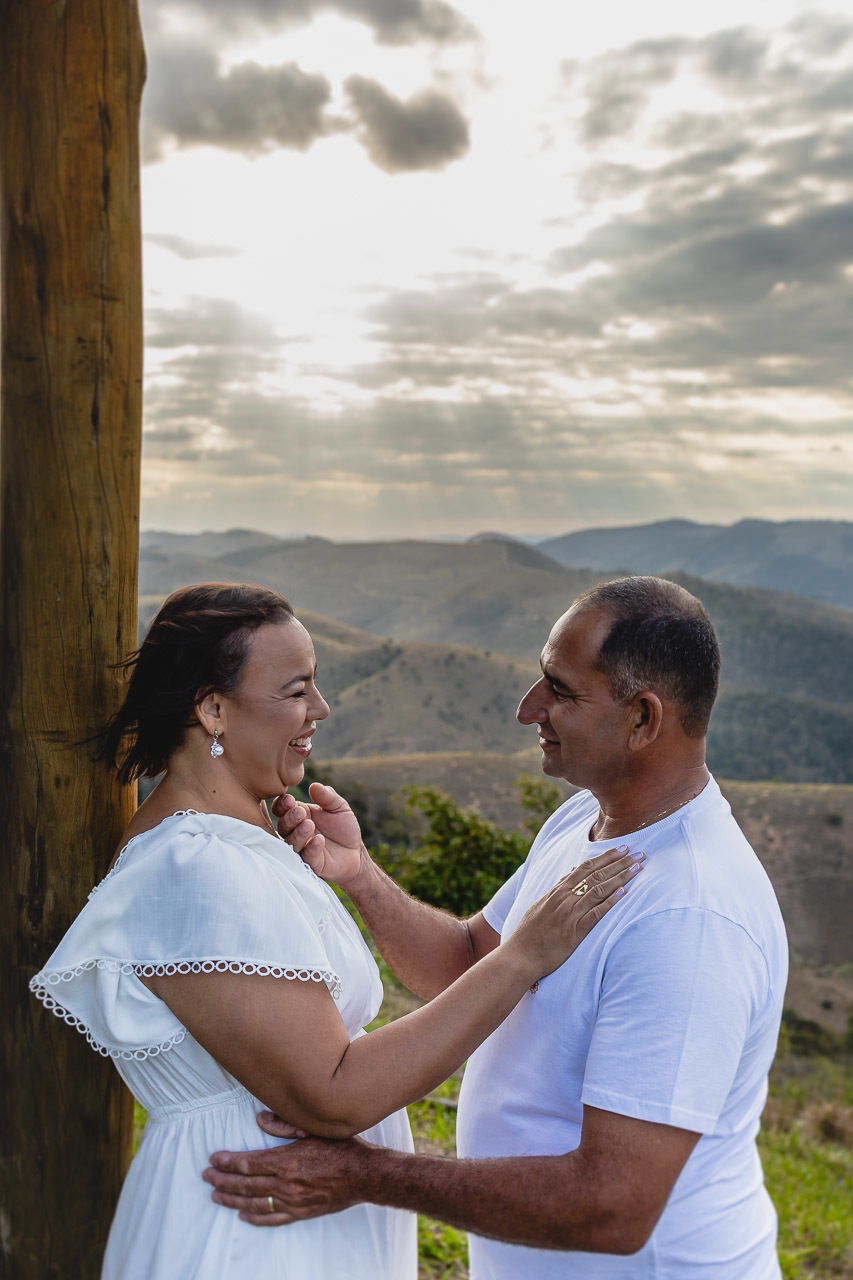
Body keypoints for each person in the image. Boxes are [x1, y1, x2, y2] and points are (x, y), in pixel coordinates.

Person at [29, 581, 641, 1280]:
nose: (319, 710)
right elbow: (333, 1093)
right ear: (213, 709)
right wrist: (522, 957)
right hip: (248, 1228)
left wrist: (354, 873)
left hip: (282, 1212)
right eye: (295, 691)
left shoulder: (235, 841)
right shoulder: (196, 865)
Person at [205, 576, 789, 1279]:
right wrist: (358, 874)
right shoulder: (586, 820)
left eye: (559, 690)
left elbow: (612, 1206)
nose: (527, 709)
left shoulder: (688, 919)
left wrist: (364, 1174)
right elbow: (469, 966)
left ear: (641, 719)